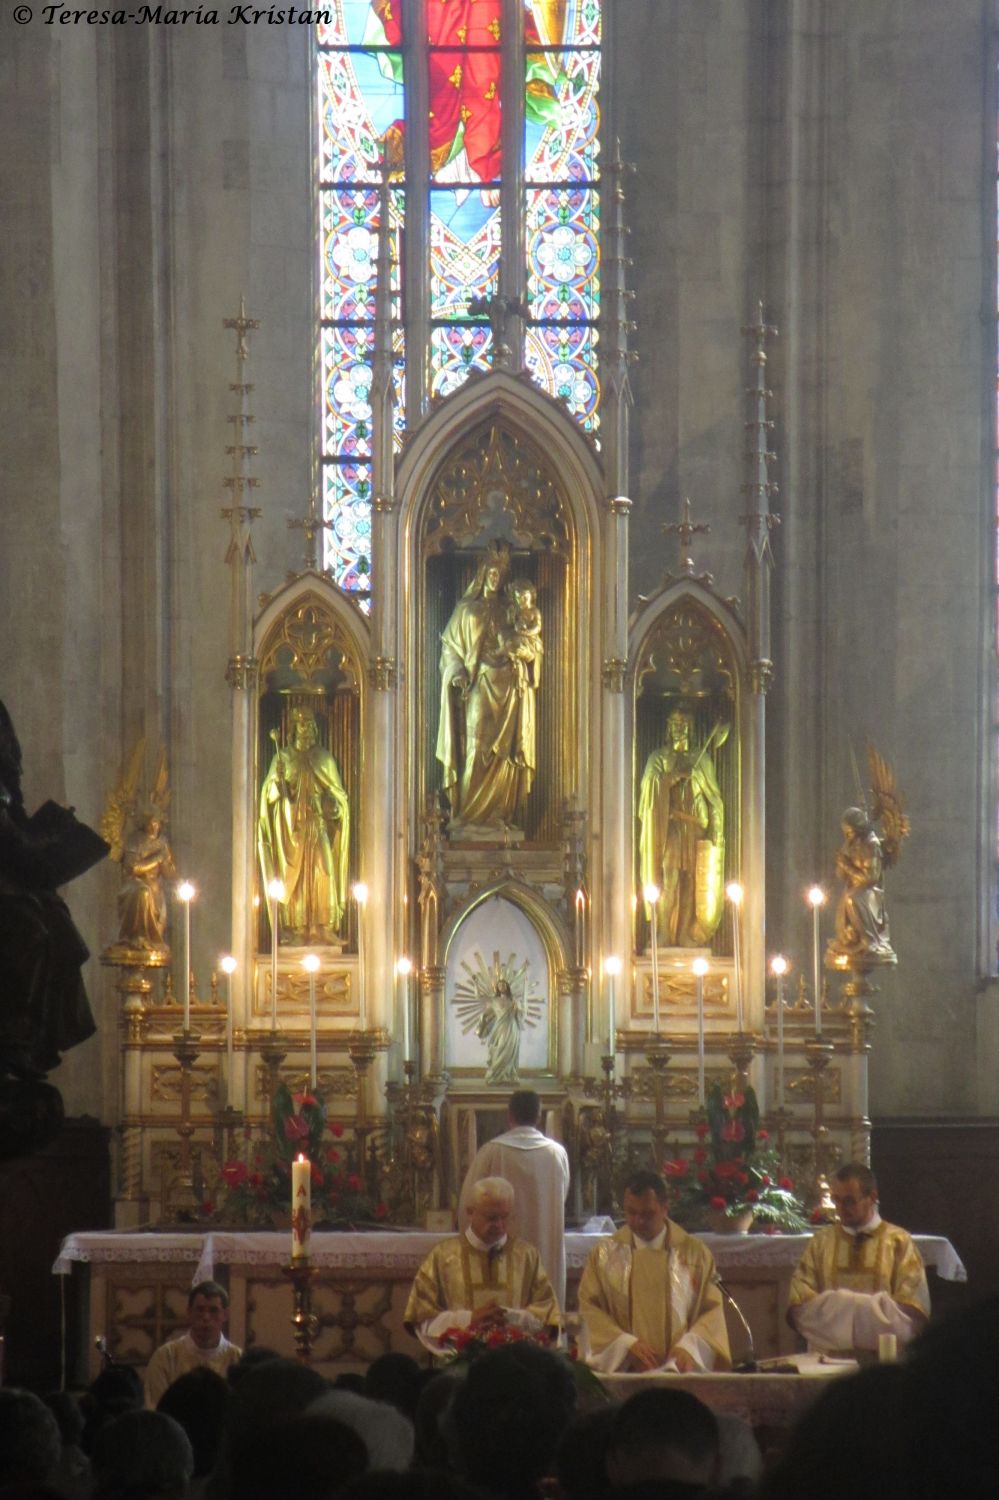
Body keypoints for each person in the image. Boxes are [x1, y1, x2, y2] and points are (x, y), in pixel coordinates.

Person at [578, 1169, 730, 1373]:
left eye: (647, 1214)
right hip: (626, 1370)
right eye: (631, 1212)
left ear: (665, 1208)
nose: (638, 1221)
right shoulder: (604, 1254)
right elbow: (589, 1309)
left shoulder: (695, 1254)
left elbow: (712, 1311)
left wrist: (689, 1348)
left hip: (679, 1371)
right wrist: (625, 1345)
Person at [436, 544, 539, 832]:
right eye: (491, 572)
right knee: (477, 746)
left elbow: (532, 644)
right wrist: (456, 671)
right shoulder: (466, 610)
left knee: (503, 753)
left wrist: (525, 652)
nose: (496, 578)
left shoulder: (512, 609)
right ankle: (468, 816)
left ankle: (498, 816)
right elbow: (450, 651)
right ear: (482, 574)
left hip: (510, 688)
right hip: (480, 683)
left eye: (500, 574)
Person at [404, 1176, 560, 1355]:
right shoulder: (443, 1256)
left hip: (514, 1364)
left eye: (505, 1216)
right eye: (492, 1217)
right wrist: (468, 1319)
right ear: (470, 1212)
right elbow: (423, 1318)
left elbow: (547, 1316)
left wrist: (511, 1317)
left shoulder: (527, 1256)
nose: (500, 1225)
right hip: (459, 1365)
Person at [788, 1162, 929, 1354]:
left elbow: (910, 1317)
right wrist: (874, 1308)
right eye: (836, 1200)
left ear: (872, 1197)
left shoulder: (899, 1242)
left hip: (884, 1364)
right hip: (826, 1363)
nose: (840, 1208)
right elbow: (801, 1309)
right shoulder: (820, 1243)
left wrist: (838, 1307)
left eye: (849, 1201)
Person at [458, 1089, 570, 1312]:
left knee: (504, 1321)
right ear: (538, 1116)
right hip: (546, 1247)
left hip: (499, 1250)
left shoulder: (491, 1151)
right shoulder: (557, 1153)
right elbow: (562, 1196)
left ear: (509, 1115)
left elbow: (468, 1205)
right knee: (543, 1317)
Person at [258, 706, 350, 944]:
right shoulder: (283, 758)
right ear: (293, 728)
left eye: (309, 724)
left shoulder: (324, 759)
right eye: (302, 724)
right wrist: (277, 783)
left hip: (317, 825)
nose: (306, 728)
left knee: (324, 869)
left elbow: (338, 797)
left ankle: (323, 927)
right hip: (292, 831)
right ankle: (297, 929)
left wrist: (332, 807)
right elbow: (268, 798)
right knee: (296, 879)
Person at [637, 707, 725, 948]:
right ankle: (664, 931)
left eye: (683, 723)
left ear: (691, 728)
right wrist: (673, 777)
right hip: (670, 828)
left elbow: (714, 798)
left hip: (695, 828)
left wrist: (716, 828)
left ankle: (685, 932)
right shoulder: (658, 758)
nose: (679, 728)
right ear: (668, 727)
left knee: (689, 882)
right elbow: (648, 791)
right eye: (674, 723)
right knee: (670, 877)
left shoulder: (701, 759)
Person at [144, 1281, 242, 1409]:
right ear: (189, 1312)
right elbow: (156, 1409)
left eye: (213, 1310)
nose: (206, 1317)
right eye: (200, 1310)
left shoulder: (238, 1358)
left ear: (225, 1315)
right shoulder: (166, 1357)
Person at [825, 808, 897, 969]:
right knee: (847, 899)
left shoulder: (872, 845)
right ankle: (849, 939)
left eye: (850, 833)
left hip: (870, 893)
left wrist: (847, 865)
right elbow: (842, 877)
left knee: (852, 898)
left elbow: (870, 878)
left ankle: (869, 941)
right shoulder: (852, 844)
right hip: (856, 890)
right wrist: (841, 863)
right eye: (846, 833)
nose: (847, 837)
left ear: (858, 830)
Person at [115, 812, 176, 952]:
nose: (153, 826)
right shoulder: (134, 840)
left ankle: (151, 937)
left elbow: (169, 875)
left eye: (156, 823)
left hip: (155, 889)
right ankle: (136, 936)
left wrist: (167, 861)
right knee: (142, 892)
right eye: (150, 823)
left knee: (150, 892)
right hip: (134, 884)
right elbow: (134, 868)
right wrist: (157, 858)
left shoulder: (162, 843)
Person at [474, 977, 527, 1084]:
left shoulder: (513, 1001)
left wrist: (525, 987)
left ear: (507, 987)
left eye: (503, 985)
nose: (501, 986)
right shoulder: (494, 1000)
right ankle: (495, 1074)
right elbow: (478, 996)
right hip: (499, 1028)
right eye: (499, 985)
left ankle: (508, 1075)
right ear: (497, 988)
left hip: (511, 1028)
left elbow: (521, 1013)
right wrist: (476, 983)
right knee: (498, 1049)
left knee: (509, 1052)